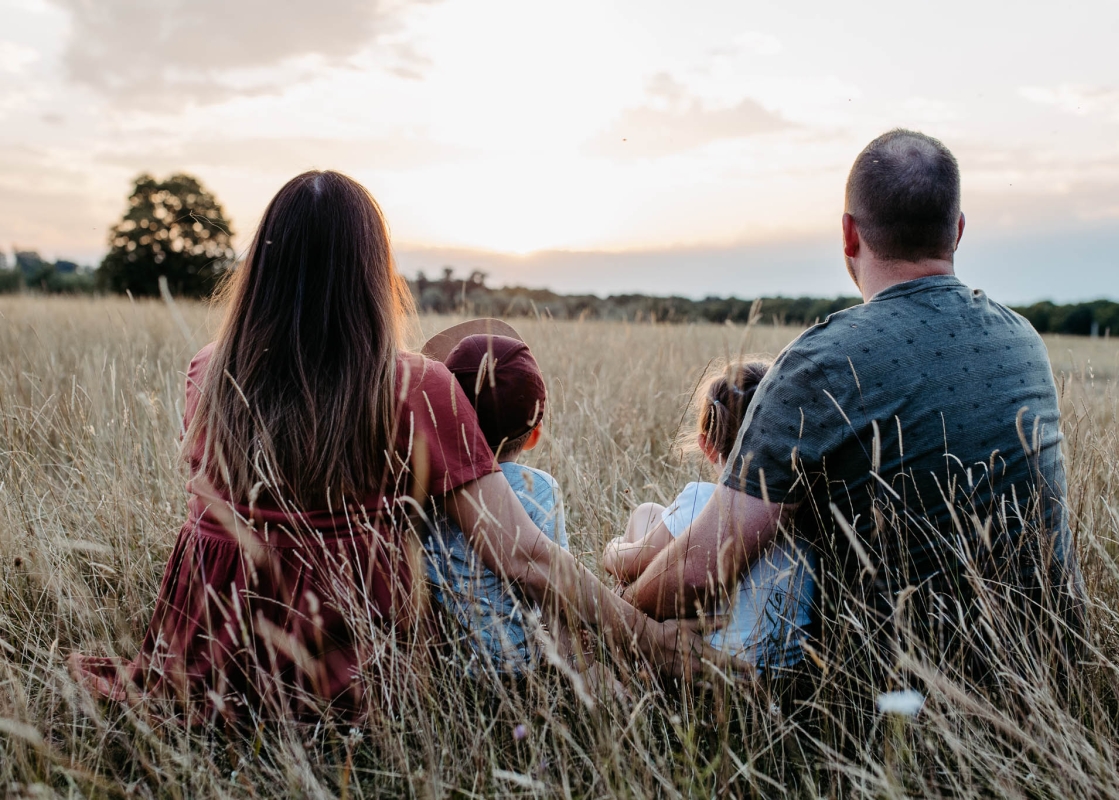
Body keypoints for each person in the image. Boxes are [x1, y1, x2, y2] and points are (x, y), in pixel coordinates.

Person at [70, 171, 730, 722]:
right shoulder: (415, 385)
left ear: (262, 265)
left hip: (210, 641)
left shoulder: (208, 369)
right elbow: (525, 556)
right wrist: (650, 639)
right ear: (372, 270)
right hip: (338, 654)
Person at [624, 129, 1087, 692]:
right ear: (958, 230)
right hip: (1052, 674)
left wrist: (620, 613)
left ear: (849, 234)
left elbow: (698, 573)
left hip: (899, 704)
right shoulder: (1024, 341)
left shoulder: (819, 363)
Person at [602, 359, 814, 672]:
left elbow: (628, 564)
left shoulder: (702, 498)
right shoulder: (805, 510)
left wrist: (612, 548)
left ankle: (624, 660)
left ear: (706, 444)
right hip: (785, 668)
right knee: (650, 512)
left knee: (643, 522)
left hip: (705, 665)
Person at [420, 324, 570, 670]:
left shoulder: (427, 483)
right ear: (534, 436)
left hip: (444, 659)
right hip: (517, 661)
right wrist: (579, 663)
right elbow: (556, 589)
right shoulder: (541, 488)